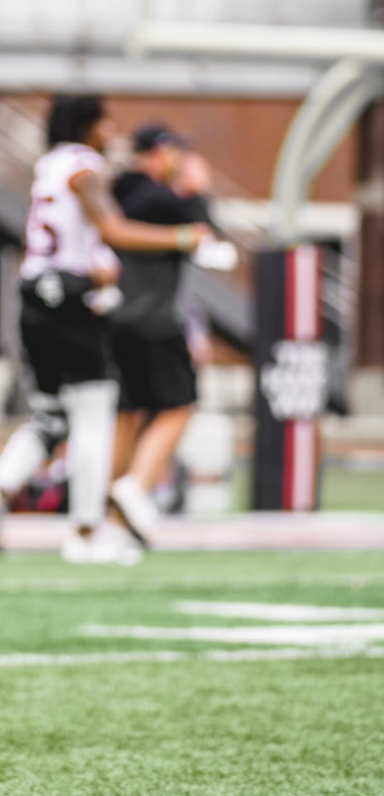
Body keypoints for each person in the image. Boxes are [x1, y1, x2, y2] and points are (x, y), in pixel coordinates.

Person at [0, 95, 212, 564]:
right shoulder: (83, 166)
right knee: (94, 418)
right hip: (72, 300)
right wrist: (184, 237)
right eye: (104, 123)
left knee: (51, 417)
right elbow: (114, 229)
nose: (111, 132)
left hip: (33, 295)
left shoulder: (46, 167)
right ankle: (84, 533)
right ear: (85, 126)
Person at [107, 124, 224, 545]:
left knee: (127, 415)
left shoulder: (118, 192)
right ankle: (135, 487)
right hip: (154, 318)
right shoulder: (156, 197)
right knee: (179, 405)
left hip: (115, 317)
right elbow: (208, 233)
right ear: (158, 152)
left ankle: (112, 520)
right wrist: (197, 190)